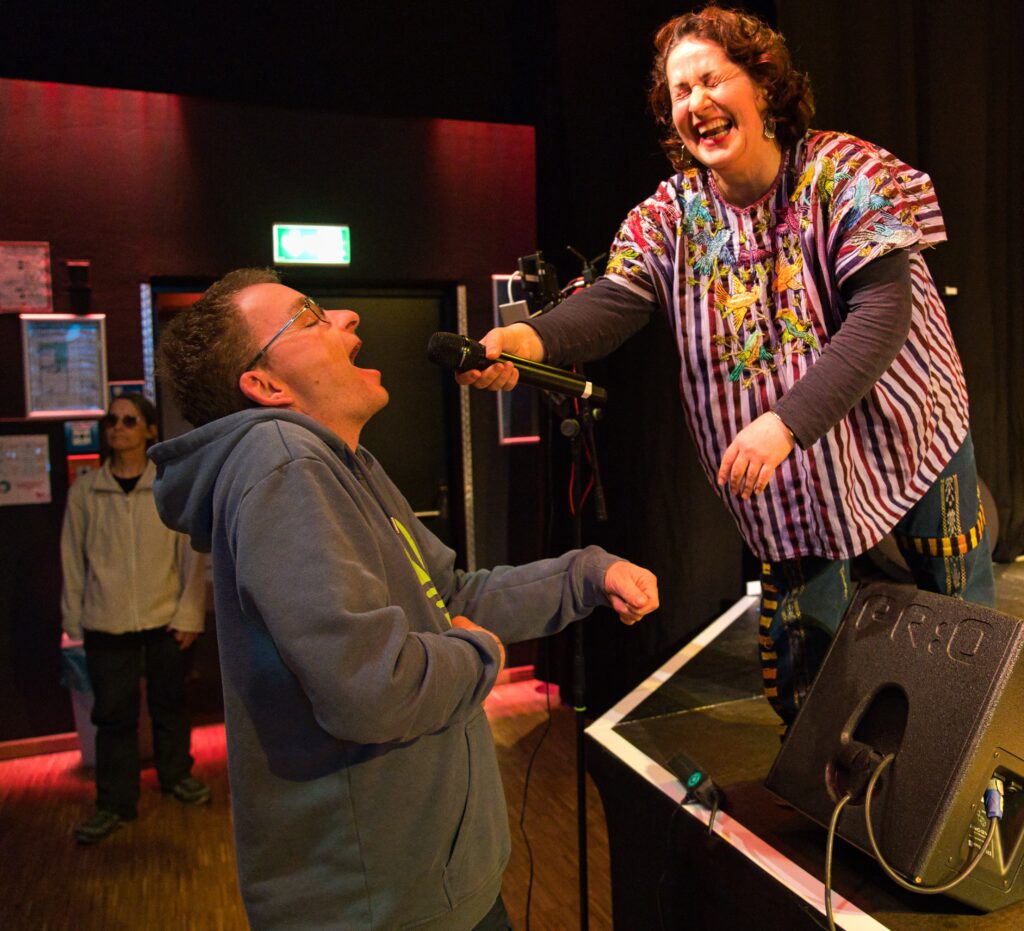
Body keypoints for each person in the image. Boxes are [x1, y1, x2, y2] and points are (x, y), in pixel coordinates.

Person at [459, 6, 995, 732]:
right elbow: (615, 302)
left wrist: (785, 421)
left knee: (955, 608)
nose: (695, 102)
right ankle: (834, 795)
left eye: (711, 78)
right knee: (806, 654)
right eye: (679, 91)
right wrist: (527, 342)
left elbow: (881, 315)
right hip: (793, 475)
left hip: (905, 425)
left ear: (765, 86)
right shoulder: (673, 214)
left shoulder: (845, 172)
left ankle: (970, 782)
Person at [149, 267, 659, 930]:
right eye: (310, 317)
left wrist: (584, 574)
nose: (348, 319)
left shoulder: (342, 463)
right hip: (385, 909)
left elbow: (446, 595)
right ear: (266, 384)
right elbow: (370, 684)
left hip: (426, 893)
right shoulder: (283, 460)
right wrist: (477, 654)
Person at [60, 394, 210, 845]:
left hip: (165, 620)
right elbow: (72, 559)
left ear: (148, 430)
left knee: (170, 706)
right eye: (112, 421)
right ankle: (115, 802)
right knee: (113, 718)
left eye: (129, 420)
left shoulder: (166, 488)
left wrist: (190, 616)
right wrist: (74, 619)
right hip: (107, 623)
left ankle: (176, 776)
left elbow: (191, 559)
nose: (118, 427)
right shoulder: (87, 492)